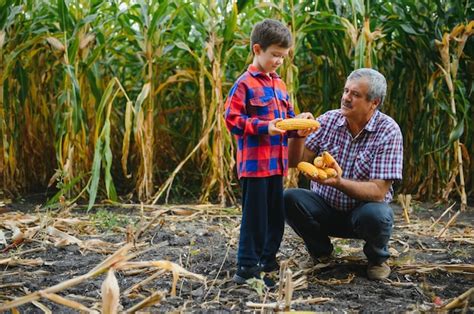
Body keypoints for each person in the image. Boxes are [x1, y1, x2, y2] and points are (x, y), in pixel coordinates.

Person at [284, 68, 403, 280]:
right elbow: (295, 161)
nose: (346, 98)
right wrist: (298, 135)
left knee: (377, 215)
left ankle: (377, 259)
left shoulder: (388, 131)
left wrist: (338, 182)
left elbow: (378, 191)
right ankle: (321, 253)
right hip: (325, 208)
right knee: (289, 198)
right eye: (346, 91)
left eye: (355, 95)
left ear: (374, 103)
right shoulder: (329, 120)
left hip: (361, 215)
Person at [224, 19, 317, 286]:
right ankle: (247, 267)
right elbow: (232, 120)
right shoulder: (244, 84)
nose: (279, 61)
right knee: (256, 219)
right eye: (275, 55)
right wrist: (265, 127)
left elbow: (285, 122)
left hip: (276, 165)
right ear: (257, 49)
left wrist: (298, 127)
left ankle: (268, 261)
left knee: (275, 218)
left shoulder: (279, 85)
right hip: (254, 167)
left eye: (283, 57)